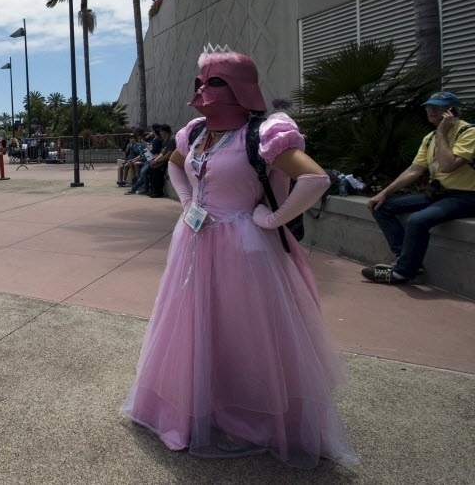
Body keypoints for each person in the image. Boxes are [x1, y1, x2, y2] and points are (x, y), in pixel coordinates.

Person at [121, 48, 356, 468]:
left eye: (215, 82)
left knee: (244, 330)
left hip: (244, 248)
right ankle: (198, 405)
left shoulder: (264, 133)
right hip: (193, 241)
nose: (203, 90)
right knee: (193, 324)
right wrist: (189, 199)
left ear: (241, 87)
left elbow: (316, 178)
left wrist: (273, 219)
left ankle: (251, 413)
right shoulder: (194, 132)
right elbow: (175, 166)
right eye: (200, 81)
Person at [363, 91, 475, 284]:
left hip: (466, 196)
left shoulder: (469, 132)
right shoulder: (430, 138)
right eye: (429, 107)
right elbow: (414, 170)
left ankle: (403, 272)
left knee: (417, 220)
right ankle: (404, 257)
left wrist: (441, 132)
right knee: (382, 207)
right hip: (438, 194)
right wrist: (383, 193)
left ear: (452, 112)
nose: (431, 110)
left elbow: (447, 166)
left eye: (438, 107)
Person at [146, 124, 176, 197]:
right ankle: (153, 189)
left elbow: (169, 154)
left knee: (157, 169)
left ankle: (158, 191)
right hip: (164, 159)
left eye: (160, 131)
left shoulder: (172, 139)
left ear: (164, 131)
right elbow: (162, 152)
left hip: (170, 160)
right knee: (150, 167)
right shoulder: (165, 140)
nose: (159, 133)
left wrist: (157, 161)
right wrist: (155, 160)